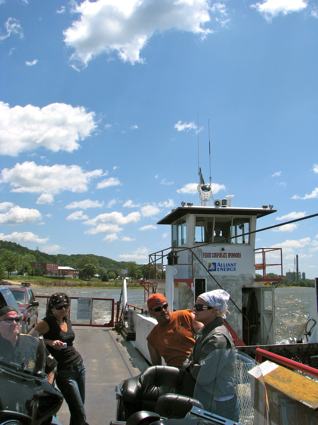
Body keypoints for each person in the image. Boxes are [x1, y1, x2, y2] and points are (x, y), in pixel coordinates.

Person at [30, 293, 88, 425]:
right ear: (52, 308)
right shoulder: (46, 323)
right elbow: (30, 339)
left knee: (79, 409)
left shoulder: (66, 319)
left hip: (79, 366)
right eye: (59, 307)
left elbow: (69, 341)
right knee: (79, 412)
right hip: (64, 372)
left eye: (66, 306)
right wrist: (49, 342)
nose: (63, 309)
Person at [183, 289, 239, 422]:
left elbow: (204, 376)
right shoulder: (206, 331)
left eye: (198, 307)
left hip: (219, 404)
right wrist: (192, 364)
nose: (193, 310)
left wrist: (190, 366)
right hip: (208, 397)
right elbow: (192, 358)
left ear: (214, 310)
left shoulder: (217, 338)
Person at [146, 293, 202, 368]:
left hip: (196, 365)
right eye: (158, 309)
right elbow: (156, 367)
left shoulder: (185, 315)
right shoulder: (152, 339)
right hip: (175, 373)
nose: (163, 310)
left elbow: (205, 335)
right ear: (151, 313)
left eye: (165, 306)